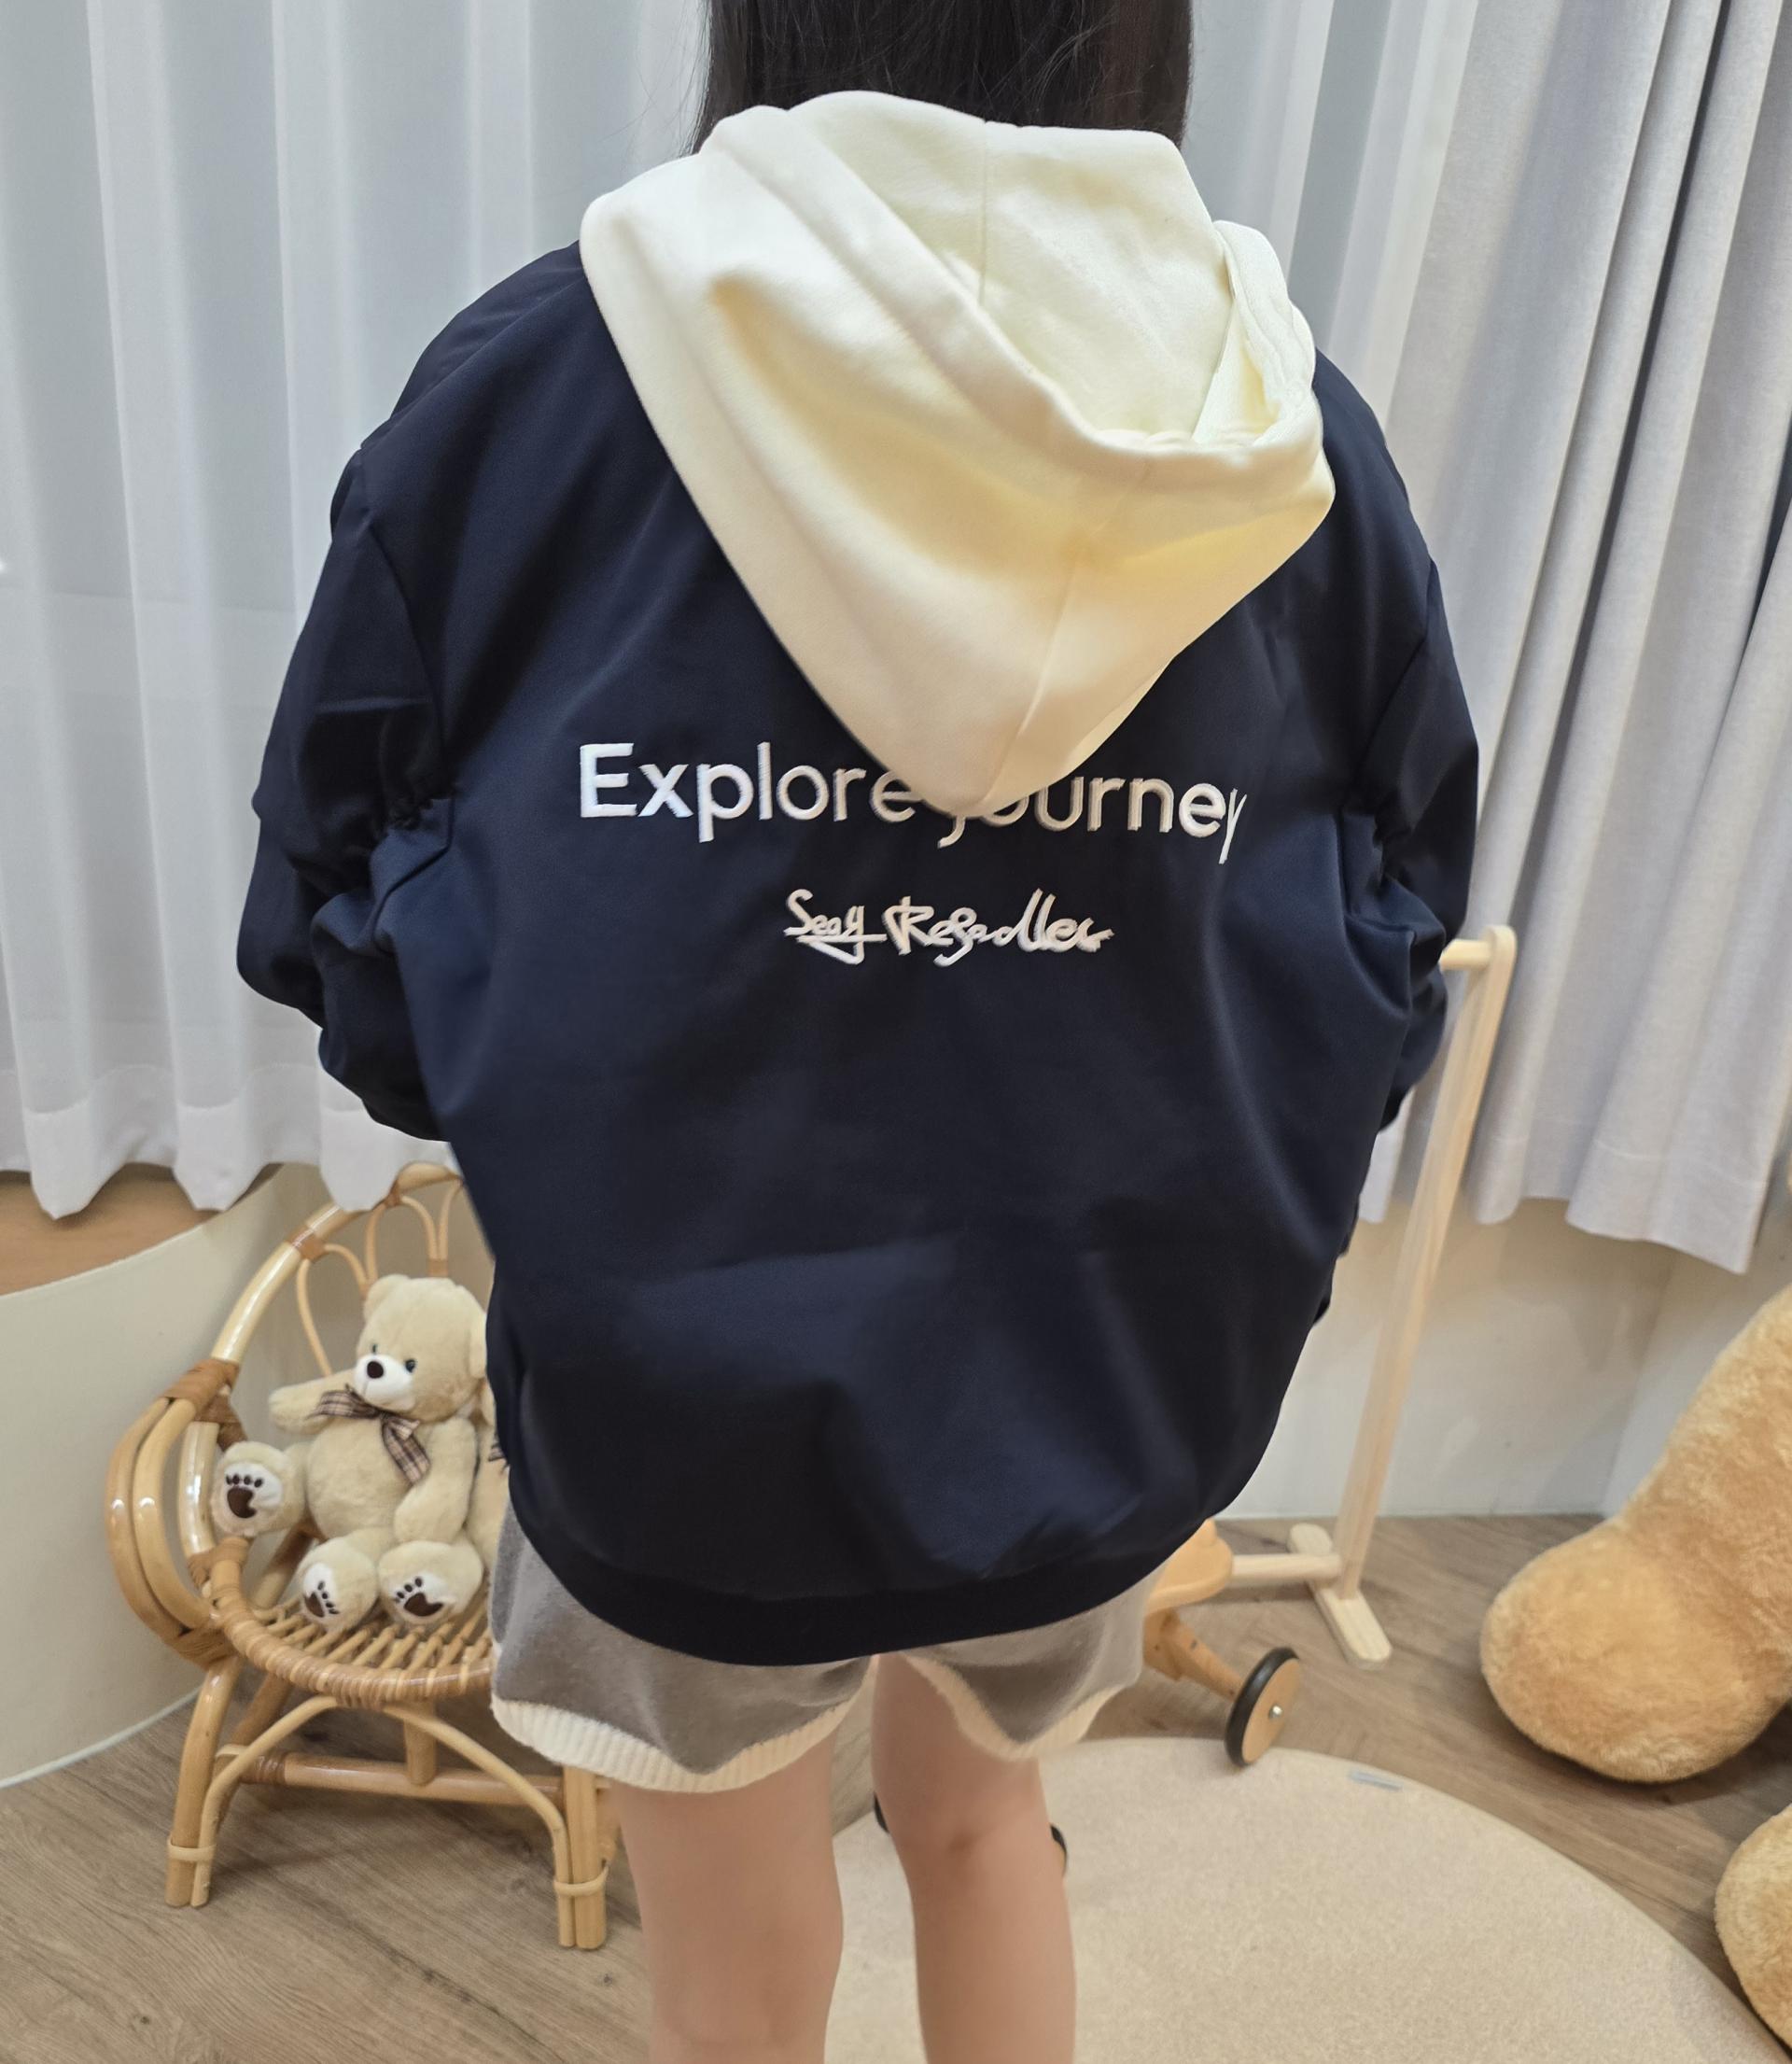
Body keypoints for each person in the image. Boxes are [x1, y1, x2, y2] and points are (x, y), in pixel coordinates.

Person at [236, 3, 1479, 2058]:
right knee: (987, 1831)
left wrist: (534, 1088)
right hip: (1104, 1370)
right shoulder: (1275, 424)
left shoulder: (549, 382)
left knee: (732, 1952)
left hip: (668, 1387)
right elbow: (1397, 912)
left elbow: (334, 878)